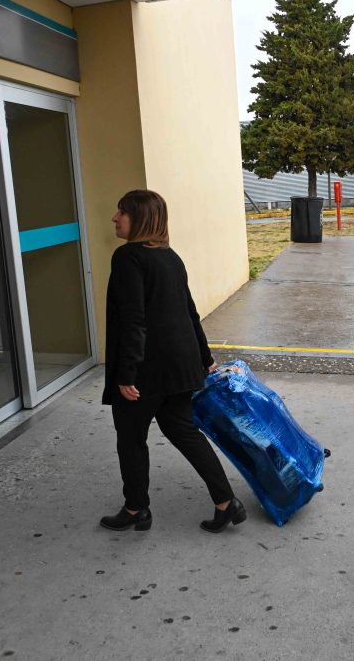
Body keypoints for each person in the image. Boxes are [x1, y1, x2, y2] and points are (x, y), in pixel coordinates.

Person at [100, 189, 245, 534]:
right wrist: (204, 356)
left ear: (140, 219)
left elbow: (134, 320)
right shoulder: (170, 257)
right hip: (180, 365)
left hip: (146, 369)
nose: (114, 218)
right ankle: (226, 502)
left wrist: (126, 373)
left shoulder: (128, 258)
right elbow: (189, 312)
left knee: (131, 438)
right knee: (183, 431)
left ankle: (136, 509)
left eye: (121, 212)